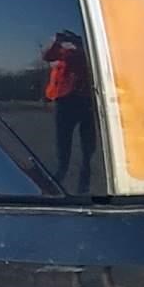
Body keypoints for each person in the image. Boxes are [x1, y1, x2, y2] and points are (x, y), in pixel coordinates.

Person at [43, 29, 95, 192]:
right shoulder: (64, 53)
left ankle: (83, 184)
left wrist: (77, 43)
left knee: (88, 148)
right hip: (65, 101)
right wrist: (57, 40)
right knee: (63, 147)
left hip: (87, 101)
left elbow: (82, 59)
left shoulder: (88, 53)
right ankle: (57, 180)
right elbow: (47, 56)